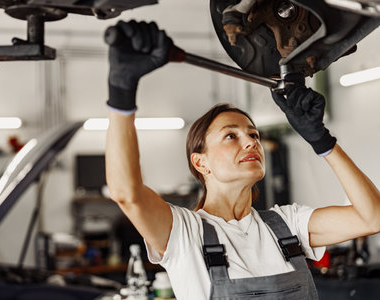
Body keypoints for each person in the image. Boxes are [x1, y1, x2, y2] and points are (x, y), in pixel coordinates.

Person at [104, 20, 380, 299]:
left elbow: (372, 218)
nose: (251, 141)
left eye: (254, 134)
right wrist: (121, 93)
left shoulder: (288, 224)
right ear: (201, 163)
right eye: (230, 136)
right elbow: (127, 193)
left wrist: (323, 142)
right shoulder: (185, 233)